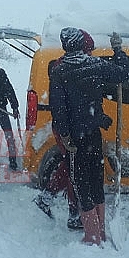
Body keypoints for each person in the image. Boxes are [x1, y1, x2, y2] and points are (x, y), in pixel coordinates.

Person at [49, 27, 129, 245]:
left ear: (66, 45)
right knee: (95, 181)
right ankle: (101, 230)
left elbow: (59, 109)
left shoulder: (59, 71)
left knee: (81, 184)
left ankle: (92, 235)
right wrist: (118, 49)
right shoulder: (95, 65)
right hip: (94, 136)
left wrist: (64, 135)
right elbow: (123, 73)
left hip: (75, 139)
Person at [33, 29, 95, 229]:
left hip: (68, 127)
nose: (91, 54)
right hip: (66, 128)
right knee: (73, 169)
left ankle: (48, 198)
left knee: (68, 167)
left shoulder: (67, 64)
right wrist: (66, 133)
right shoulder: (65, 67)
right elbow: (60, 105)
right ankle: (73, 212)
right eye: (89, 50)